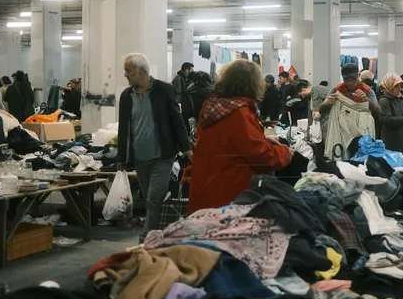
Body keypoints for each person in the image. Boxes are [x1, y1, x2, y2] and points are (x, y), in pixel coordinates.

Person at [188, 59, 292, 214]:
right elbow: (260, 154)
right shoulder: (240, 112)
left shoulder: (214, 105)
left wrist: (261, 138)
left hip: (206, 187)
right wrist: (285, 152)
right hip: (229, 196)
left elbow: (228, 142)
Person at [117, 53, 192, 239]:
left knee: (153, 199)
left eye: (128, 71)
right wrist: (121, 158)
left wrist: (186, 147)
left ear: (141, 71)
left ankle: (146, 237)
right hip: (140, 157)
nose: (125, 75)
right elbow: (123, 129)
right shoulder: (126, 96)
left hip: (163, 155)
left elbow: (177, 120)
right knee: (149, 199)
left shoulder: (164, 90)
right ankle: (162, 235)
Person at [172, 62, 194, 131]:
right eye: (192, 70)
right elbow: (176, 93)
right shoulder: (178, 78)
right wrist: (179, 105)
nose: (193, 72)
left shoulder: (186, 78)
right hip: (180, 104)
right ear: (187, 70)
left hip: (184, 103)